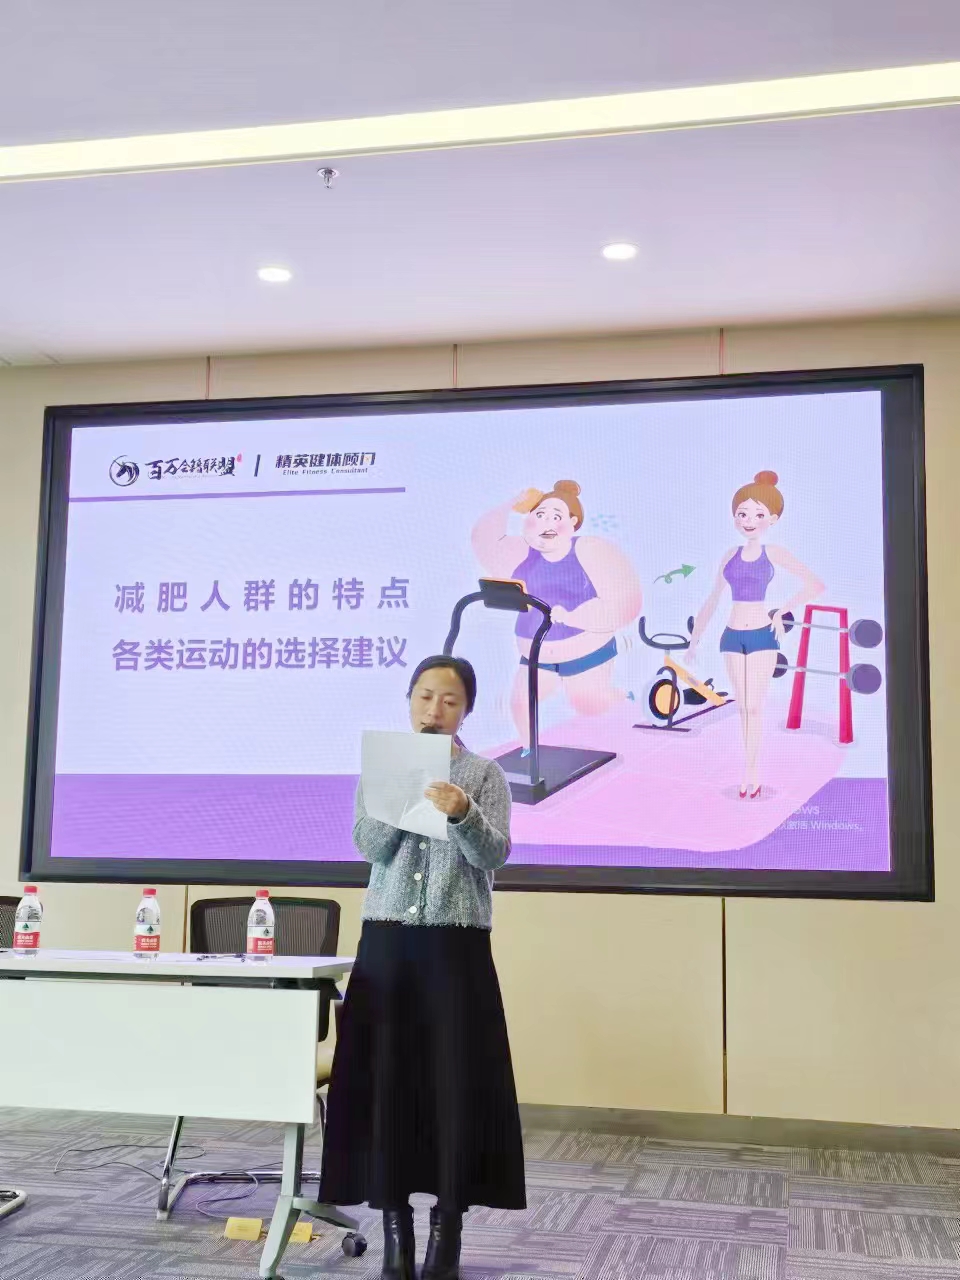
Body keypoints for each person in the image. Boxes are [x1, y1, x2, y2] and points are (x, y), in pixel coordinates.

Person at [318, 655, 525, 1280]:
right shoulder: (382, 767)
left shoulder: (484, 774)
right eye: (425, 697)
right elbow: (368, 846)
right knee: (388, 1085)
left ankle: (447, 1230)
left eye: (450, 701)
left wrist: (462, 812)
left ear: (466, 711)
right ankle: (395, 1230)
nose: (435, 711)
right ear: (409, 700)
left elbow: (494, 855)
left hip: (454, 949)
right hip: (387, 945)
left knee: (452, 1086)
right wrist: (399, 799)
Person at [471, 480, 642, 749]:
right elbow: (483, 540)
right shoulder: (521, 553)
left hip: (587, 652)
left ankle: (622, 697)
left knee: (588, 703)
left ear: (573, 522)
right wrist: (511, 503)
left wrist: (574, 617)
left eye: (556, 516)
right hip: (537, 655)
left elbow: (626, 600)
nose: (547, 523)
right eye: (539, 515)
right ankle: (529, 751)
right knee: (521, 703)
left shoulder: (590, 550)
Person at [687, 471, 824, 798]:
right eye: (743, 514)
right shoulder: (729, 555)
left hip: (763, 635)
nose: (749, 521)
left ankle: (753, 773)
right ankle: (747, 772)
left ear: (772, 519)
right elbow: (712, 599)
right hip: (731, 637)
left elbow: (814, 584)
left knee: (754, 706)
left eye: (758, 515)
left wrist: (781, 611)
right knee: (743, 706)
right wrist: (694, 641)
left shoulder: (773, 552)